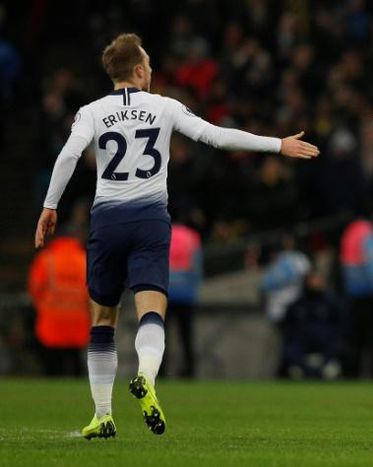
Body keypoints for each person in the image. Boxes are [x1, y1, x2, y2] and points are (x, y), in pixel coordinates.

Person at [34, 33, 319, 440]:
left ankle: (102, 415)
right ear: (137, 70)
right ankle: (147, 378)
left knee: (102, 319)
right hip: (150, 219)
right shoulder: (165, 107)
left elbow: (68, 155)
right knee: (153, 309)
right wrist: (278, 145)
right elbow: (216, 137)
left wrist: (50, 206)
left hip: (108, 220)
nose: (151, 70)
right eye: (148, 64)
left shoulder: (91, 112)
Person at [28, 228, 90, 377]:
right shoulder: (85, 260)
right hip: (78, 320)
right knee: (75, 362)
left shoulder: (46, 259)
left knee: (52, 365)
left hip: (51, 320)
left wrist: (43, 306)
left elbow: (35, 289)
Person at [340, 215, 373, 379]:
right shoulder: (368, 235)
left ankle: (353, 375)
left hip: (354, 296)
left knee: (356, 340)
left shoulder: (349, 234)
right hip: (372, 296)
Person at [259, 235, 311, 377]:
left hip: (294, 309)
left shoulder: (299, 259)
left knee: (292, 342)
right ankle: (283, 371)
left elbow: (307, 281)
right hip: (276, 310)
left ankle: (291, 369)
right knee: (281, 344)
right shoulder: (275, 260)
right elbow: (264, 286)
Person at [281, 270, 344, 380]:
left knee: (331, 369)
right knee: (294, 369)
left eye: (318, 280)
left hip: (325, 348)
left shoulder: (331, 305)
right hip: (302, 349)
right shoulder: (297, 306)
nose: (315, 283)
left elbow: (339, 332)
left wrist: (328, 358)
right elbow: (289, 334)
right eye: (312, 280)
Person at [163, 219, 202, 378]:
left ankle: (161, 371)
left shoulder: (163, 233)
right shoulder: (192, 236)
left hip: (165, 292)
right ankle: (189, 370)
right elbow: (197, 266)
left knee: (162, 336)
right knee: (186, 335)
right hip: (186, 293)